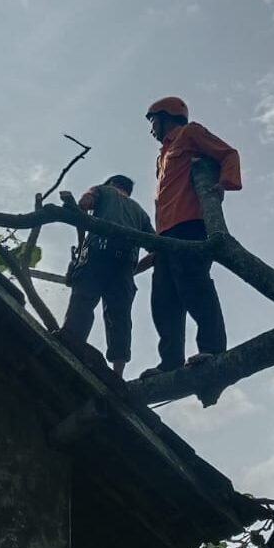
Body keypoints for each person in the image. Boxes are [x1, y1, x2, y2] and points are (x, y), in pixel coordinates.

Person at [137, 96, 242, 376]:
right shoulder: (162, 155)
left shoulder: (190, 133)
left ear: (166, 115)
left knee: (193, 285)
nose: (151, 129)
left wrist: (223, 184)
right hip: (165, 233)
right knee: (163, 299)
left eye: (153, 121)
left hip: (190, 225)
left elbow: (228, 153)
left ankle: (212, 349)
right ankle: (170, 362)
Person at [61, 174, 153, 378]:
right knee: (119, 317)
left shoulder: (103, 190)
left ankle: (69, 347)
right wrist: (132, 271)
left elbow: (85, 202)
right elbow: (156, 251)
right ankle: (117, 372)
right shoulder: (141, 213)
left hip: (97, 256)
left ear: (112, 184)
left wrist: (80, 208)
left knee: (82, 304)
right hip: (124, 267)